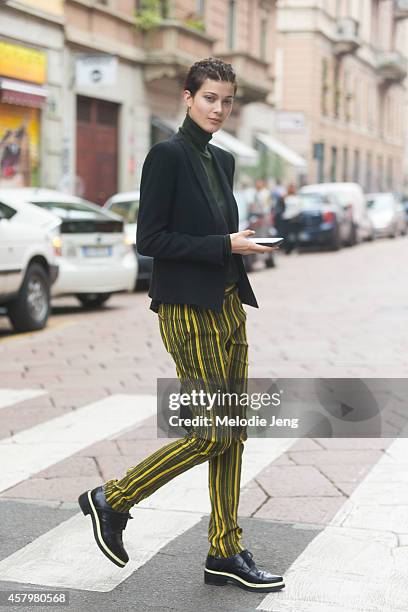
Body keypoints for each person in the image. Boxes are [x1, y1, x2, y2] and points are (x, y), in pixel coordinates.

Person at [78, 57, 285, 594]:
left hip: (227, 305)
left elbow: (215, 234)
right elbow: (150, 240)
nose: (219, 108)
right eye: (210, 98)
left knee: (233, 430)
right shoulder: (166, 155)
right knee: (211, 431)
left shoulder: (221, 161)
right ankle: (114, 499)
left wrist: (241, 247)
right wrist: (225, 244)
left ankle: (224, 548)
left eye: (227, 100)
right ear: (188, 98)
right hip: (187, 311)